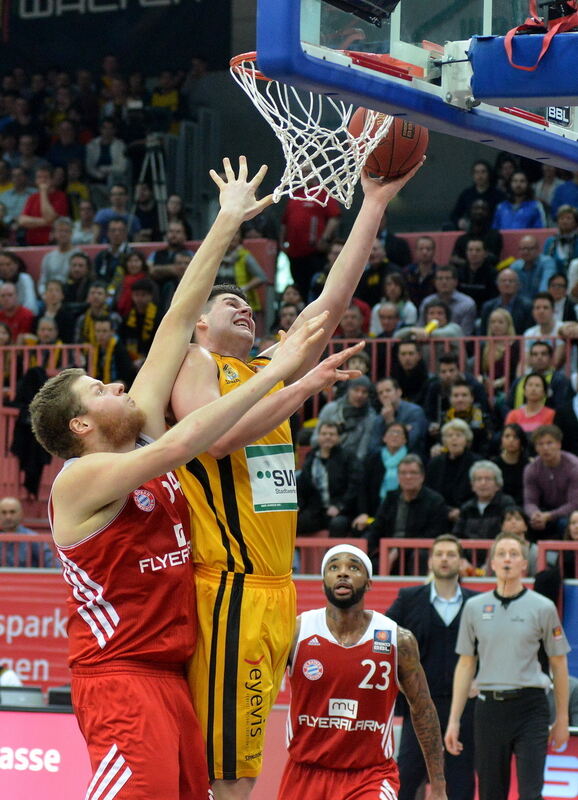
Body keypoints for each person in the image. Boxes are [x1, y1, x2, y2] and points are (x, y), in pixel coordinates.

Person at [28, 157, 336, 800]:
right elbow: (187, 440)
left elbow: (175, 322)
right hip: (118, 675)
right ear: (81, 426)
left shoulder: (131, 431)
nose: (120, 384)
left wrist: (225, 221)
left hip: (170, 672)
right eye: (101, 389)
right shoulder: (79, 481)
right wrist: (281, 370)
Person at [170, 161, 424, 798]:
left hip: (275, 585)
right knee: (224, 772)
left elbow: (329, 307)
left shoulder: (267, 370)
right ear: (200, 324)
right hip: (229, 584)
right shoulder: (196, 364)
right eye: (229, 302)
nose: (244, 307)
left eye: (247, 301)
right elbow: (215, 436)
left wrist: (373, 201)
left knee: (240, 768)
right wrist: (301, 383)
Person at [278, 544, 448, 800]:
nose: (342, 573)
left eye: (353, 567)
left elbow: (423, 709)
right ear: (324, 580)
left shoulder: (397, 640)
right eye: (334, 567)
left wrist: (438, 786)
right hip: (306, 772)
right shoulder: (297, 632)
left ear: (368, 583)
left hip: (370, 776)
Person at [444, 532, 570, 800]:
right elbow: (466, 664)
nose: (507, 559)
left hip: (531, 707)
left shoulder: (543, 607)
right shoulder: (474, 607)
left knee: (530, 793)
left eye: (514, 554)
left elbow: (559, 664)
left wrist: (562, 718)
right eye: (501, 554)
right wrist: (454, 720)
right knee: (490, 793)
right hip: (489, 709)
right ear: (491, 563)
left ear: (525, 564)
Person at [387, 535, 477, 800]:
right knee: (406, 776)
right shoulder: (409, 598)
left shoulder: (477, 603)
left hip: (464, 707)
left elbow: (495, 646)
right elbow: (382, 636)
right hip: (419, 704)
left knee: (461, 782)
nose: (445, 559)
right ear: (430, 561)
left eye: (451, 554)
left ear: (461, 562)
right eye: (439, 554)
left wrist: (482, 678)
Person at [363, 454, 448, 574]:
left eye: (413, 473)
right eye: (403, 473)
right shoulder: (390, 498)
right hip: (389, 551)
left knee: (419, 556)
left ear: (422, 477)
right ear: (398, 477)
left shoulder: (435, 501)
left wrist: (400, 549)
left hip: (417, 552)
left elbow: (434, 534)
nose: (408, 477)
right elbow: (376, 529)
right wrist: (361, 549)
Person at [296, 422, 361, 537]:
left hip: (342, 510)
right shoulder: (311, 456)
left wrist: (340, 506)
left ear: (339, 438)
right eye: (324, 433)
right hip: (316, 509)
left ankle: (332, 555)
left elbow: (354, 486)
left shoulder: (348, 457)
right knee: (297, 522)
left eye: (332, 434)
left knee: (338, 524)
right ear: (318, 436)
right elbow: (303, 485)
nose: (327, 437)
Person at [353, 420, 409, 532]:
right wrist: (363, 512)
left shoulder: (411, 459)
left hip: (404, 510)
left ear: (405, 440)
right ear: (384, 438)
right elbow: (363, 487)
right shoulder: (372, 459)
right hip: (375, 510)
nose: (395, 435)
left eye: (399, 433)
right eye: (392, 432)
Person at [524, 424, 578, 539]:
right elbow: (529, 502)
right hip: (544, 512)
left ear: (559, 444)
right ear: (536, 448)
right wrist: (535, 514)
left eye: (549, 443)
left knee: (564, 523)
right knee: (522, 521)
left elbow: (574, 504)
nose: (545, 448)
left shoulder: (574, 467)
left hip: (570, 513)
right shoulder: (531, 469)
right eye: (540, 444)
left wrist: (549, 516)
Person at [425, 419, 481, 525]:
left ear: (467, 440)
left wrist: (461, 511)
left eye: (458, 435)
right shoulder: (435, 463)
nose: (454, 439)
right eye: (449, 436)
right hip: (439, 514)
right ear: (444, 441)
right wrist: (447, 511)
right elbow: (429, 492)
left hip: (469, 516)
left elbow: (480, 493)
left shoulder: (477, 463)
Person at [312, 375, 378, 462]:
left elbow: (362, 451)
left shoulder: (370, 416)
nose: (360, 395)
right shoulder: (331, 409)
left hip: (350, 464)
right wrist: (330, 439)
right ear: (348, 390)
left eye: (364, 392)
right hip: (324, 459)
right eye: (356, 390)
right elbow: (314, 441)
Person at [453, 461, 515, 541]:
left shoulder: (506, 503)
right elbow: (457, 534)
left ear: (497, 485)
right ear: (472, 486)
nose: (483, 483)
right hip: (470, 552)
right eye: (478, 479)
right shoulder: (467, 507)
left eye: (488, 479)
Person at [506, 339, 574, 412]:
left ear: (551, 358)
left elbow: (561, 407)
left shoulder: (560, 380)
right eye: (535, 354)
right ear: (530, 359)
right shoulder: (519, 381)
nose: (539, 357)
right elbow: (508, 406)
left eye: (543, 354)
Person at [368, 376, 428, 456]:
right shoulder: (379, 418)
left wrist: (390, 421)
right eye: (380, 393)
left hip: (410, 459)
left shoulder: (414, 412)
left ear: (399, 392)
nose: (384, 395)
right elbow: (373, 448)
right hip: (385, 460)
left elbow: (411, 442)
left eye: (388, 390)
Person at [17, 164, 69, 246]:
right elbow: (22, 220)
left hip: (52, 244)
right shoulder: (32, 197)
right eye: (39, 177)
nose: (42, 180)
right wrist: (47, 222)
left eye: (45, 177)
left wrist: (43, 192)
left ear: (52, 180)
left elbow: (49, 217)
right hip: (31, 243)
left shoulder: (61, 196)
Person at [417, 266, 476, 336]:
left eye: (448, 278)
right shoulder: (427, 301)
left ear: (455, 282)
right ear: (434, 282)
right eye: (440, 279)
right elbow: (420, 327)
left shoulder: (467, 303)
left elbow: (465, 334)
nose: (444, 282)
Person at [450, 159, 504, 230]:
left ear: (489, 174)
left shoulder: (498, 195)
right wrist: (459, 221)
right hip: (471, 231)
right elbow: (454, 215)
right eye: (476, 172)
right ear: (473, 175)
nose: (480, 175)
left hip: (492, 231)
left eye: (483, 172)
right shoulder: (466, 194)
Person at [0, 496, 53, 567]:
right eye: (4, 512)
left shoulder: (34, 539)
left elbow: (52, 567)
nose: (8, 517)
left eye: (12, 512)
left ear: (21, 514)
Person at [450, 198, 503, 269]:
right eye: (476, 208)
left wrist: (468, 262)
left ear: (488, 213)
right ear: (470, 211)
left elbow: (494, 259)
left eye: (483, 209)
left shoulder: (495, 236)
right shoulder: (462, 239)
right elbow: (454, 259)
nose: (479, 212)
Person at [478, 308, 518, 401]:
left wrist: (496, 383)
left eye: (500, 322)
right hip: (486, 386)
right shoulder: (484, 345)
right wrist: (482, 381)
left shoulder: (515, 345)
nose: (496, 325)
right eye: (493, 322)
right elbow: (479, 371)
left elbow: (514, 372)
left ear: (508, 325)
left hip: (507, 387)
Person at [479, 268, 533, 336]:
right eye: (503, 281)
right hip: (492, 345)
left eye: (511, 281)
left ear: (518, 285)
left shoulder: (527, 306)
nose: (507, 284)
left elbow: (528, 333)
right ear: (497, 284)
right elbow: (483, 335)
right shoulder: (488, 307)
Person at [37, 216, 80, 295]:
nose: (63, 234)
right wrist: (44, 295)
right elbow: (42, 282)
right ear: (54, 234)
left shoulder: (79, 256)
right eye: (60, 231)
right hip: (50, 296)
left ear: (71, 233)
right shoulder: (48, 257)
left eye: (66, 231)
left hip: (71, 295)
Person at [522, 291, 565, 365]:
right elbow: (525, 362)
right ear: (533, 312)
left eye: (545, 308)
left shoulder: (562, 329)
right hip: (533, 375)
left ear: (553, 311)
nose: (541, 311)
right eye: (537, 308)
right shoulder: (529, 333)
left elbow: (556, 363)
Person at [510, 235, 556, 303]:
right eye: (522, 249)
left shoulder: (547, 263)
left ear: (538, 250)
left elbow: (544, 289)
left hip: (540, 305)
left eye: (529, 249)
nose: (525, 252)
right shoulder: (515, 266)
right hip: (520, 307)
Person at [492, 423, 529, 506]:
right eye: (507, 436)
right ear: (501, 440)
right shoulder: (493, 465)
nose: (511, 440)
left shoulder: (528, 465)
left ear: (521, 440)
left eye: (515, 437)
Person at [456, 238, 497, 311]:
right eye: (470, 250)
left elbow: (493, 299)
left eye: (478, 250)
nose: (473, 253)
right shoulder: (458, 272)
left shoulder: (493, 274)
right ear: (466, 252)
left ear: (485, 253)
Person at [403, 235, 438, 308]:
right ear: (416, 251)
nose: (424, 252)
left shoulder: (439, 273)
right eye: (421, 249)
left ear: (434, 251)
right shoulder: (407, 272)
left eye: (428, 249)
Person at [390, 340, 429, 405]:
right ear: (398, 357)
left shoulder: (427, 380)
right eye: (403, 354)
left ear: (419, 356)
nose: (407, 358)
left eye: (411, 354)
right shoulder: (393, 377)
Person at [543, 204, 578, 275]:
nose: (564, 221)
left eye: (568, 218)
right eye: (561, 218)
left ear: (576, 222)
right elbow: (545, 264)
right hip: (554, 278)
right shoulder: (550, 241)